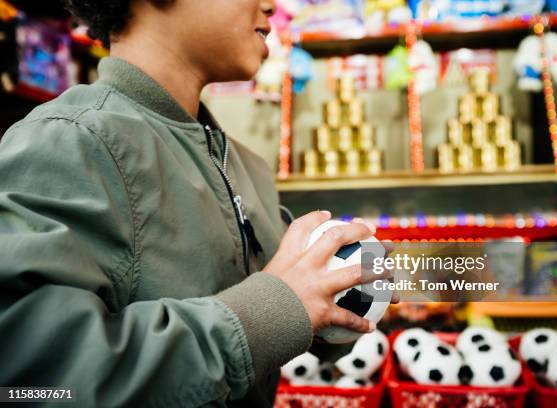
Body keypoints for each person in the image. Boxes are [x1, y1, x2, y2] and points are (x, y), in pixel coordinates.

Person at [0, 0, 387, 406]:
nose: (272, 5)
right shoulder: (67, 142)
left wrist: (347, 298)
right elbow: (31, 380)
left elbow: (300, 304)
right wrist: (268, 317)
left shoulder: (245, 165)